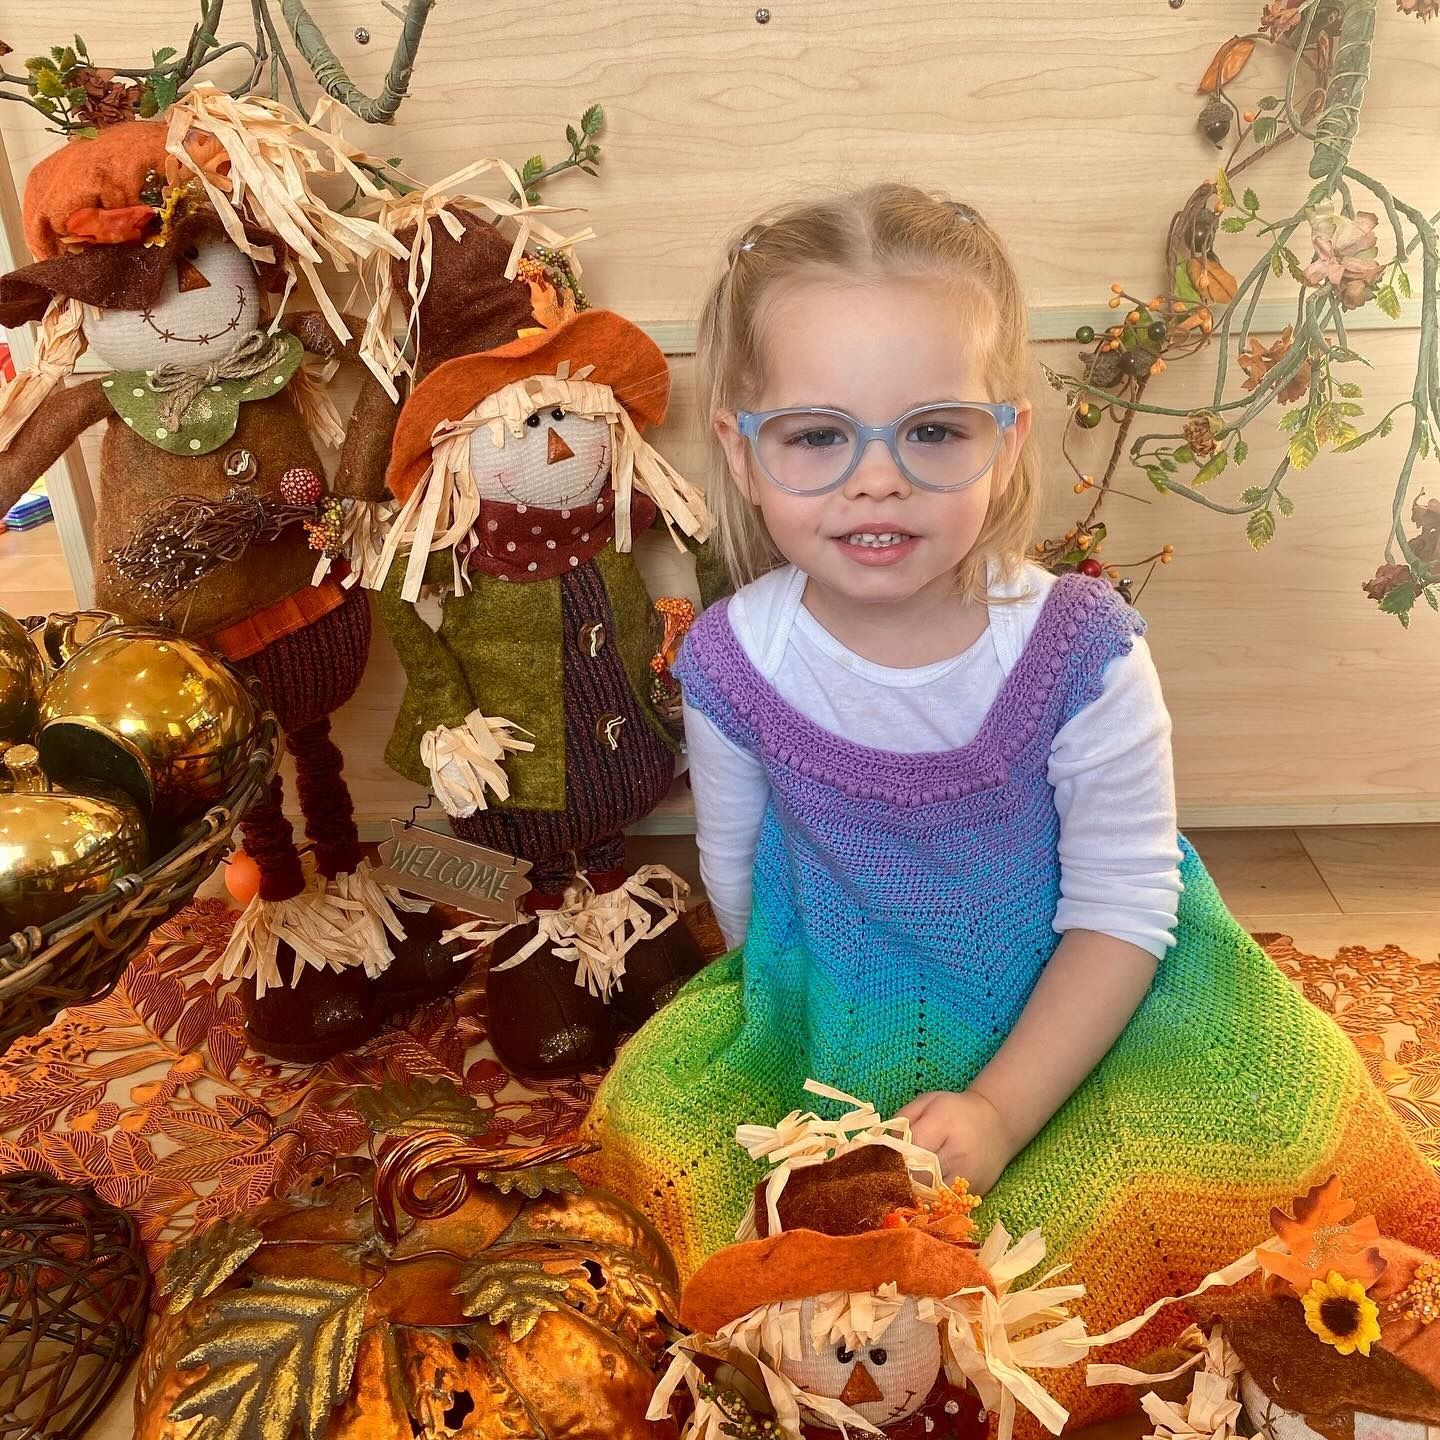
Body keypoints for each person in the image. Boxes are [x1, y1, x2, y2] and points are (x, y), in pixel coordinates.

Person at [580, 183, 1440, 1417]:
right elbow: (744, 884)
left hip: (1092, 991)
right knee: (673, 1146)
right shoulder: (728, 661)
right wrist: (798, 1024)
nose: (877, 481)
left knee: (1261, 1137)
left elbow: (1124, 904)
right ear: (741, 449)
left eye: (933, 431)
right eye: (818, 437)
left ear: (1007, 438)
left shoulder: (1079, 650)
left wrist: (999, 1104)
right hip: (844, 997)